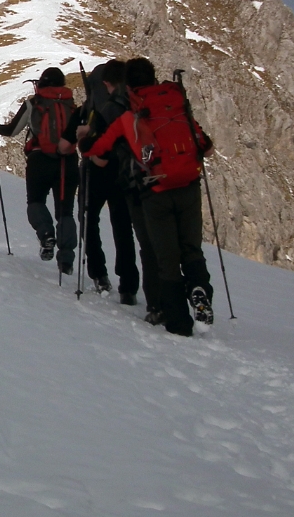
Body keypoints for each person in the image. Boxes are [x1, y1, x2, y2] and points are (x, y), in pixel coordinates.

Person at [83, 57, 215, 336]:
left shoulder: (127, 114)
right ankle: (200, 289)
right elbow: (206, 146)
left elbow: (99, 150)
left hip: (152, 192)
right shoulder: (175, 103)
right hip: (188, 185)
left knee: (163, 257)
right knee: (191, 249)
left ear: (127, 84)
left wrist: (86, 142)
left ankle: (175, 319)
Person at [0, 67, 79, 274]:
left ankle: (46, 235)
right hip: (68, 161)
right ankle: (67, 261)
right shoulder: (72, 105)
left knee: (36, 201)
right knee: (66, 211)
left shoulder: (34, 103)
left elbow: (12, 130)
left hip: (39, 160)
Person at [75, 61, 140, 303]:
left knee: (88, 218)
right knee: (122, 225)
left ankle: (99, 274)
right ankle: (129, 285)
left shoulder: (95, 106)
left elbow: (79, 137)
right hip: (124, 170)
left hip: (96, 167)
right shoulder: (130, 103)